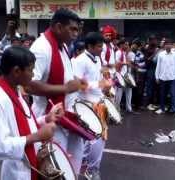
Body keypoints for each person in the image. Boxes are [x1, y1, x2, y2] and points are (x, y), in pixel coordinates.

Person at [0, 46, 63, 180]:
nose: (33, 75)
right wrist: (36, 137)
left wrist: (46, 118)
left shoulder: (15, 90)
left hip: (29, 166)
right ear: (16, 71)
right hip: (18, 172)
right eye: (30, 70)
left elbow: (26, 124)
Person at [26, 8, 86, 177]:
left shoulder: (63, 46)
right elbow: (29, 85)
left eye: (78, 29)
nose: (76, 33)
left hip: (68, 116)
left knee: (72, 165)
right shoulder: (42, 47)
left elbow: (65, 73)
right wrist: (65, 89)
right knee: (55, 170)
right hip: (51, 119)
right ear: (59, 27)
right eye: (72, 29)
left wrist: (77, 81)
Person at [72, 32, 112, 180]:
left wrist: (106, 87)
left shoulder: (96, 58)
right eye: (99, 46)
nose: (102, 49)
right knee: (98, 139)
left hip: (98, 102)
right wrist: (100, 84)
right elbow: (77, 84)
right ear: (89, 46)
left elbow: (98, 77)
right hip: (86, 105)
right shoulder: (80, 61)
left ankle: (86, 164)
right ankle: (93, 169)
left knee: (93, 139)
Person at [155, 39, 175, 118]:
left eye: (170, 44)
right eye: (167, 44)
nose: (168, 45)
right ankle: (162, 108)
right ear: (164, 46)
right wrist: (157, 77)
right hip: (162, 77)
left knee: (173, 94)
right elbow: (158, 66)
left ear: (172, 46)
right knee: (162, 94)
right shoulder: (161, 54)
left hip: (172, 78)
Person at [114, 39, 136, 113]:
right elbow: (117, 62)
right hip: (119, 75)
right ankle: (117, 110)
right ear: (121, 45)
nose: (127, 46)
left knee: (129, 91)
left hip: (125, 74)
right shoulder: (118, 52)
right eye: (125, 44)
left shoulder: (123, 52)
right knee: (119, 93)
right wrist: (126, 63)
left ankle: (129, 108)